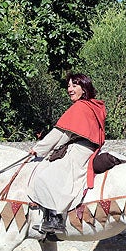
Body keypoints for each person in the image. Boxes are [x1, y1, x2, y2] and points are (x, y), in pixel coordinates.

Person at [28, 73, 107, 236]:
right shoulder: (92, 106)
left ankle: (55, 220)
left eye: (74, 86)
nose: (70, 89)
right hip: (85, 148)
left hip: (79, 150)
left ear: (84, 88)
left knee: (46, 175)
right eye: (69, 86)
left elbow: (60, 134)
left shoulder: (80, 107)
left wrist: (38, 149)